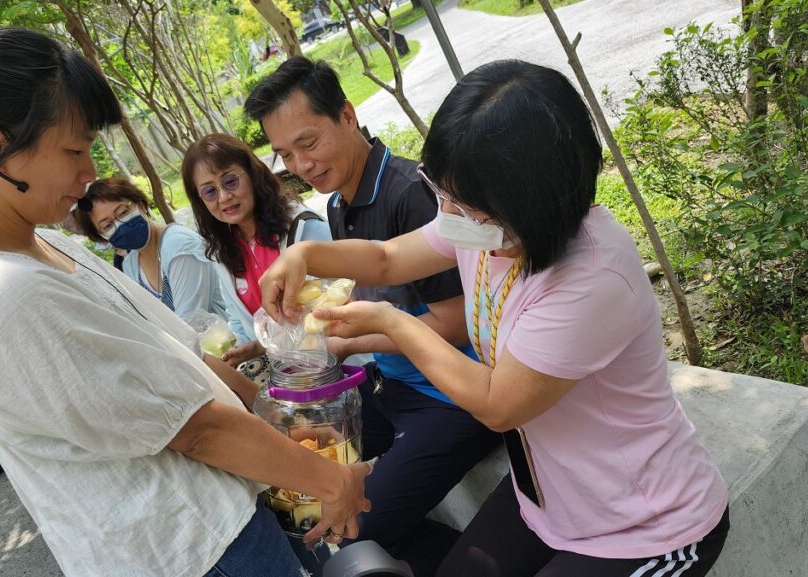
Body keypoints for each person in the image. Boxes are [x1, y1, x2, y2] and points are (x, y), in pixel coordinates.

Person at [0, 27, 369, 577]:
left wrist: (279, 421)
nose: (89, 172)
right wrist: (331, 479)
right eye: (74, 149)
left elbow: (181, 355)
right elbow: (190, 428)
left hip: (225, 515)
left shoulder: (45, 245)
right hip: (195, 550)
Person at [260, 60, 730, 577]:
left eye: (467, 206)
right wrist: (303, 259)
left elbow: (497, 405)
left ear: (532, 199)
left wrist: (395, 323)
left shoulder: (590, 278)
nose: (451, 216)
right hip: (550, 495)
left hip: (645, 524)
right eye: (446, 196)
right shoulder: (483, 227)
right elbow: (387, 258)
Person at [246, 56, 502, 575]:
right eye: (285, 155)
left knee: (352, 521)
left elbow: (454, 324)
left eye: (309, 142)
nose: (301, 165)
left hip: (451, 398)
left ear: (346, 113)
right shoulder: (340, 199)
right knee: (298, 479)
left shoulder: (411, 194)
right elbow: (377, 284)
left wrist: (344, 341)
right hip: (395, 386)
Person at [182, 133, 332, 370]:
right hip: (288, 377)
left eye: (230, 181)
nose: (224, 197)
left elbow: (335, 301)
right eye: (209, 192)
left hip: (336, 364)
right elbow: (238, 317)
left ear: (252, 174)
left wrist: (263, 347)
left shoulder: (303, 226)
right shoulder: (222, 250)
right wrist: (246, 347)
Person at [71, 176, 228, 321]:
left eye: (123, 212)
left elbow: (192, 320)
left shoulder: (178, 245)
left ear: (141, 205)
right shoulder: (130, 265)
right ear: (102, 237)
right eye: (107, 225)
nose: (119, 224)